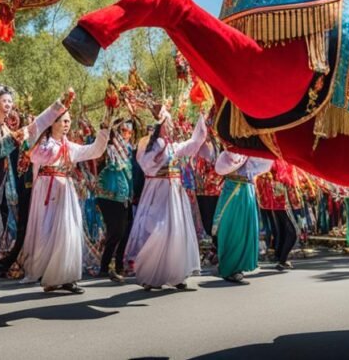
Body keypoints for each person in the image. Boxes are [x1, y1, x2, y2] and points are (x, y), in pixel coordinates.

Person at [0, 83, 64, 301]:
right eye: (4, 101)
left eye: (10, 101)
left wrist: (57, 107)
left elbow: (33, 128)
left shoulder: (3, 129)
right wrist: (12, 139)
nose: (9, 106)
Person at [20, 97, 110, 293]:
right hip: (48, 189)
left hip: (66, 190)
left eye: (69, 121)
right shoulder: (43, 144)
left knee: (69, 230)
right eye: (63, 120)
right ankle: (50, 277)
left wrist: (104, 131)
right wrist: (57, 146)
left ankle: (67, 277)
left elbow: (94, 150)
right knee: (49, 231)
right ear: (53, 122)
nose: (67, 124)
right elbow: (35, 155)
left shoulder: (70, 146)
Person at [126, 107, 209, 290]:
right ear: (160, 125)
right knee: (158, 228)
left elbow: (194, 143)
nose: (171, 126)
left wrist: (203, 118)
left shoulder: (173, 146)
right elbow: (146, 164)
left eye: (171, 123)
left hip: (174, 192)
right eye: (168, 123)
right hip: (158, 191)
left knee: (175, 230)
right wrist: (161, 149)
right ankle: (150, 273)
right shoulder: (152, 145)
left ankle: (176, 274)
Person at [213, 151, 273, 284]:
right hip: (235, 188)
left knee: (246, 230)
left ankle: (237, 267)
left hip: (246, 188)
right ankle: (229, 268)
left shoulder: (247, 150)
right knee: (235, 229)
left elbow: (265, 164)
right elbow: (229, 162)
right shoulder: (232, 150)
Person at [0, 108, 32, 278]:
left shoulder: (29, 142)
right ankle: (5, 264)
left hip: (31, 189)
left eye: (16, 119)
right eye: (10, 119)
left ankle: (10, 263)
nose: (13, 121)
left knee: (27, 229)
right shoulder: (11, 142)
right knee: (21, 229)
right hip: (16, 190)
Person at [96, 120, 135, 283]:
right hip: (110, 196)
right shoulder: (110, 148)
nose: (127, 135)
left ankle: (119, 264)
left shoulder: (127, 151)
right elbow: (110, 164)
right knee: (116, 231)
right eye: (124, 131)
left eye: (129, 132)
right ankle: (104, 267)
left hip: (125, 196)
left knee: (125, 230)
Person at [256, 159, 299, 271]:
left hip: (273, 198)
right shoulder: (278, 161)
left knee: (282, 230)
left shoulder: (269, 159)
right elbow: (286, 177)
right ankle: (282, 260)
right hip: (279, 198)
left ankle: (280, 257)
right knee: (292, 233)